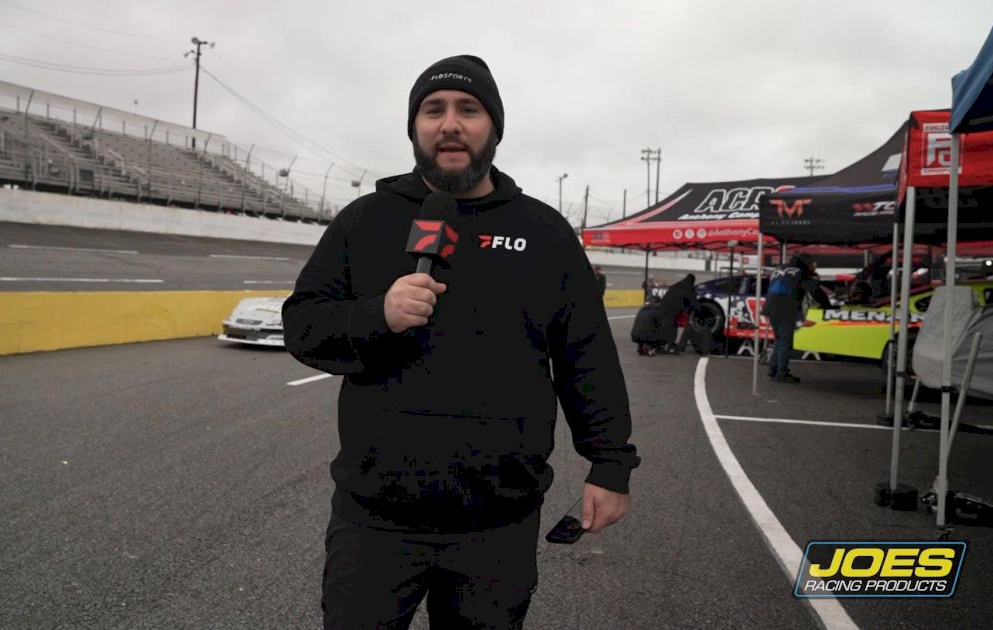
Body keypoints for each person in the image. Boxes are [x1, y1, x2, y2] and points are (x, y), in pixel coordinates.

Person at [282, 55, 640, 629]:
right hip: (375, 517)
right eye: (434, 109)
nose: (450, 123)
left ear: (493, 128)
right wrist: (378, 314)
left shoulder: (545, 232)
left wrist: (610, 463)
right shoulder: (365, 220)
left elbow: (586, 356)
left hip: (498, 520)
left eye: (468, 110)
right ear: (414, 128)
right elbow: (302, 325)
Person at [762, 253, 831, 383]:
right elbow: (813, 289)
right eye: (812, 265)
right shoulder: (799, 272)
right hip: (786, 308)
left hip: (770, 307)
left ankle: (773, 369)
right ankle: (782, 373)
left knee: (779, 339)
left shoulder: (779, 269)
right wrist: (827, 306)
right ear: (806, 263)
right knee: (786, 341)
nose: (814, 267)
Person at [657, 273, 699, 354]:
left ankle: (663, 346)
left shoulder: (676, 285)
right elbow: (694, 303)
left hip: (663, 309)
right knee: (672, 329)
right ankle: (669, 348)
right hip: (672, 312)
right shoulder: (688, 289)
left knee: (665, 328)